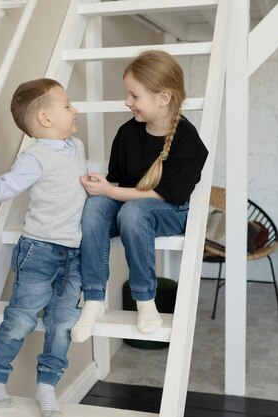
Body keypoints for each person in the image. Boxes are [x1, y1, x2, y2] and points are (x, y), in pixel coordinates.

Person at [0, 78, 86, 417]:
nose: (75, 110)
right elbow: (0, 189)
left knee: (63, 323)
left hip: (75, 253)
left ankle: (46, 387)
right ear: (45, 119)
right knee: (21, 318)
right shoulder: (34, 158)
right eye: (68, 105)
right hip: (40, 251)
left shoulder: (77, 147)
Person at [70, 50, 208, 343]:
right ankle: (93, 299)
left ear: (163, 98)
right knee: (94, 207)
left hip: (170, 209)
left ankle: (145, 300)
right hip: (128, 205)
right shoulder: (127, 133)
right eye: (127, 95)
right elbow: (119, 183)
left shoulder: (188, 139)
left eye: (134, 96)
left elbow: (166, 195)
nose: (127, 102)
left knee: (133, 212)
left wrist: (112, 191)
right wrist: (101, 186)